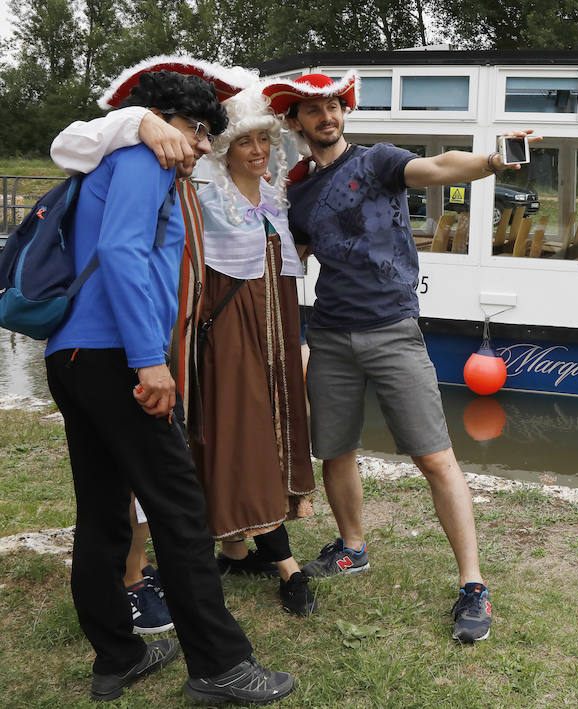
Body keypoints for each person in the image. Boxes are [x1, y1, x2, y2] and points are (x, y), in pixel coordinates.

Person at [44, 67, 294, 704]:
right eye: (201, 130)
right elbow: (126, 252)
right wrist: (150, 362)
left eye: (213, 133)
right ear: (168, 123)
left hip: (76, 353)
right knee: (181, 511)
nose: (205, 145)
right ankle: (219, 665)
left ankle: (117, 657)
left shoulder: (114, 157)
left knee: (102, 511)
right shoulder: (143, 157)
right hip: (118, 358)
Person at [263, 71, 536, 643]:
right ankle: (353, 547)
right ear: (294, 123)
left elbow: (437, 167)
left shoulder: (378, 161)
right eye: (312, 110)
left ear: (345, 112)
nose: (326, 117)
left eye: (333, 106)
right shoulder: (299, 193)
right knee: (334, 451)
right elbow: (287, 259)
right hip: (332, 335)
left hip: (392, 331)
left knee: (435, 458)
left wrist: (491, 162)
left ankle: (473, 585)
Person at [194, 86, 316, 615]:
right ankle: (286, 566)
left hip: (275, 330)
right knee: (243, 431)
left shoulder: (273, 200)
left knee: (271, 424)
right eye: (245, 142)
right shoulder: (205, 200)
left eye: (264, 140)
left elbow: (282, 264)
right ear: (226, 149)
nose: (258, 150)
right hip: (231, 334)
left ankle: (234, 545)